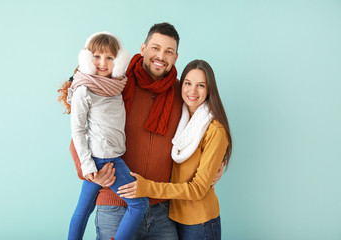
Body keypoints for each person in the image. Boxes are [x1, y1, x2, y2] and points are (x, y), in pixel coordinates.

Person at [117, 59, 233, 240]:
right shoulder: (181, 117)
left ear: (209, 90)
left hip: (200, 222)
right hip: (174, 217)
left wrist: (147, 187)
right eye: (187, 83)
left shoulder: (214, 129)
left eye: (201, 85)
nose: (192, 91)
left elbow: (197, 189)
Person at [58, 32, 149, 240]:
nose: (103, 63)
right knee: (139, 203)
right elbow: (77, 131)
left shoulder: (116, 87)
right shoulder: (84, 90)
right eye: (97, 57)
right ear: (88, 59)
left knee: (84, 210)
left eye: (109, 58)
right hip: (104, 158)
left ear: (117, 61)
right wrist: (89, 166)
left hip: (111, 154)